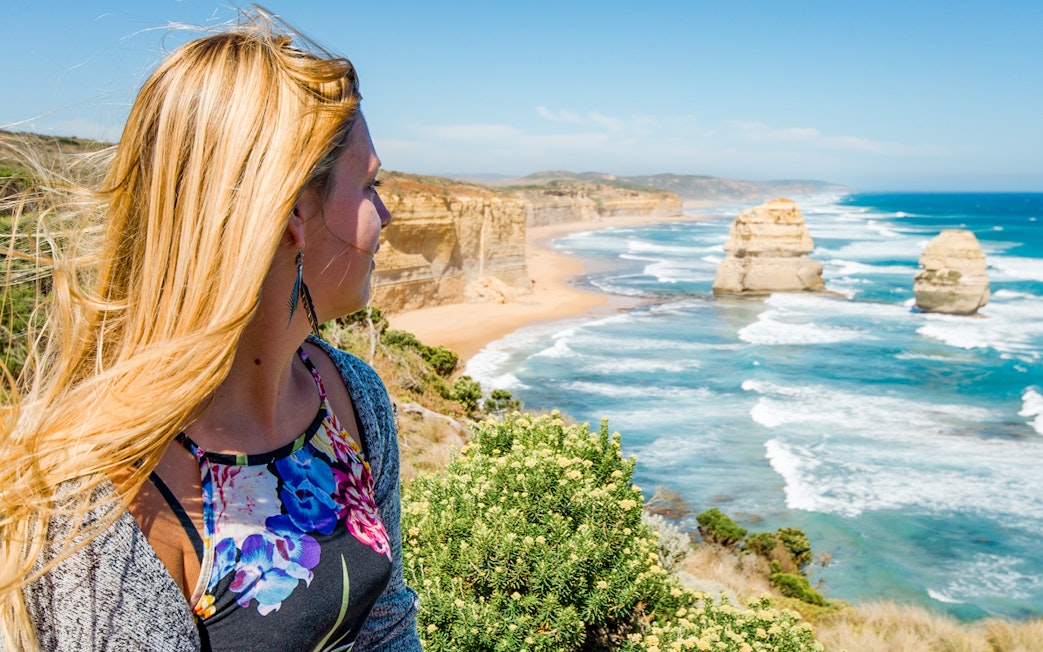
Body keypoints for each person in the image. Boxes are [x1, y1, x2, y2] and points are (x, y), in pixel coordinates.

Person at [0, 9, 421, 651]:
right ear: (292, 215)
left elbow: (387, 619)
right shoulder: (103, 499)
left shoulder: (353, 398)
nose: (386, 214)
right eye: (370, 186)